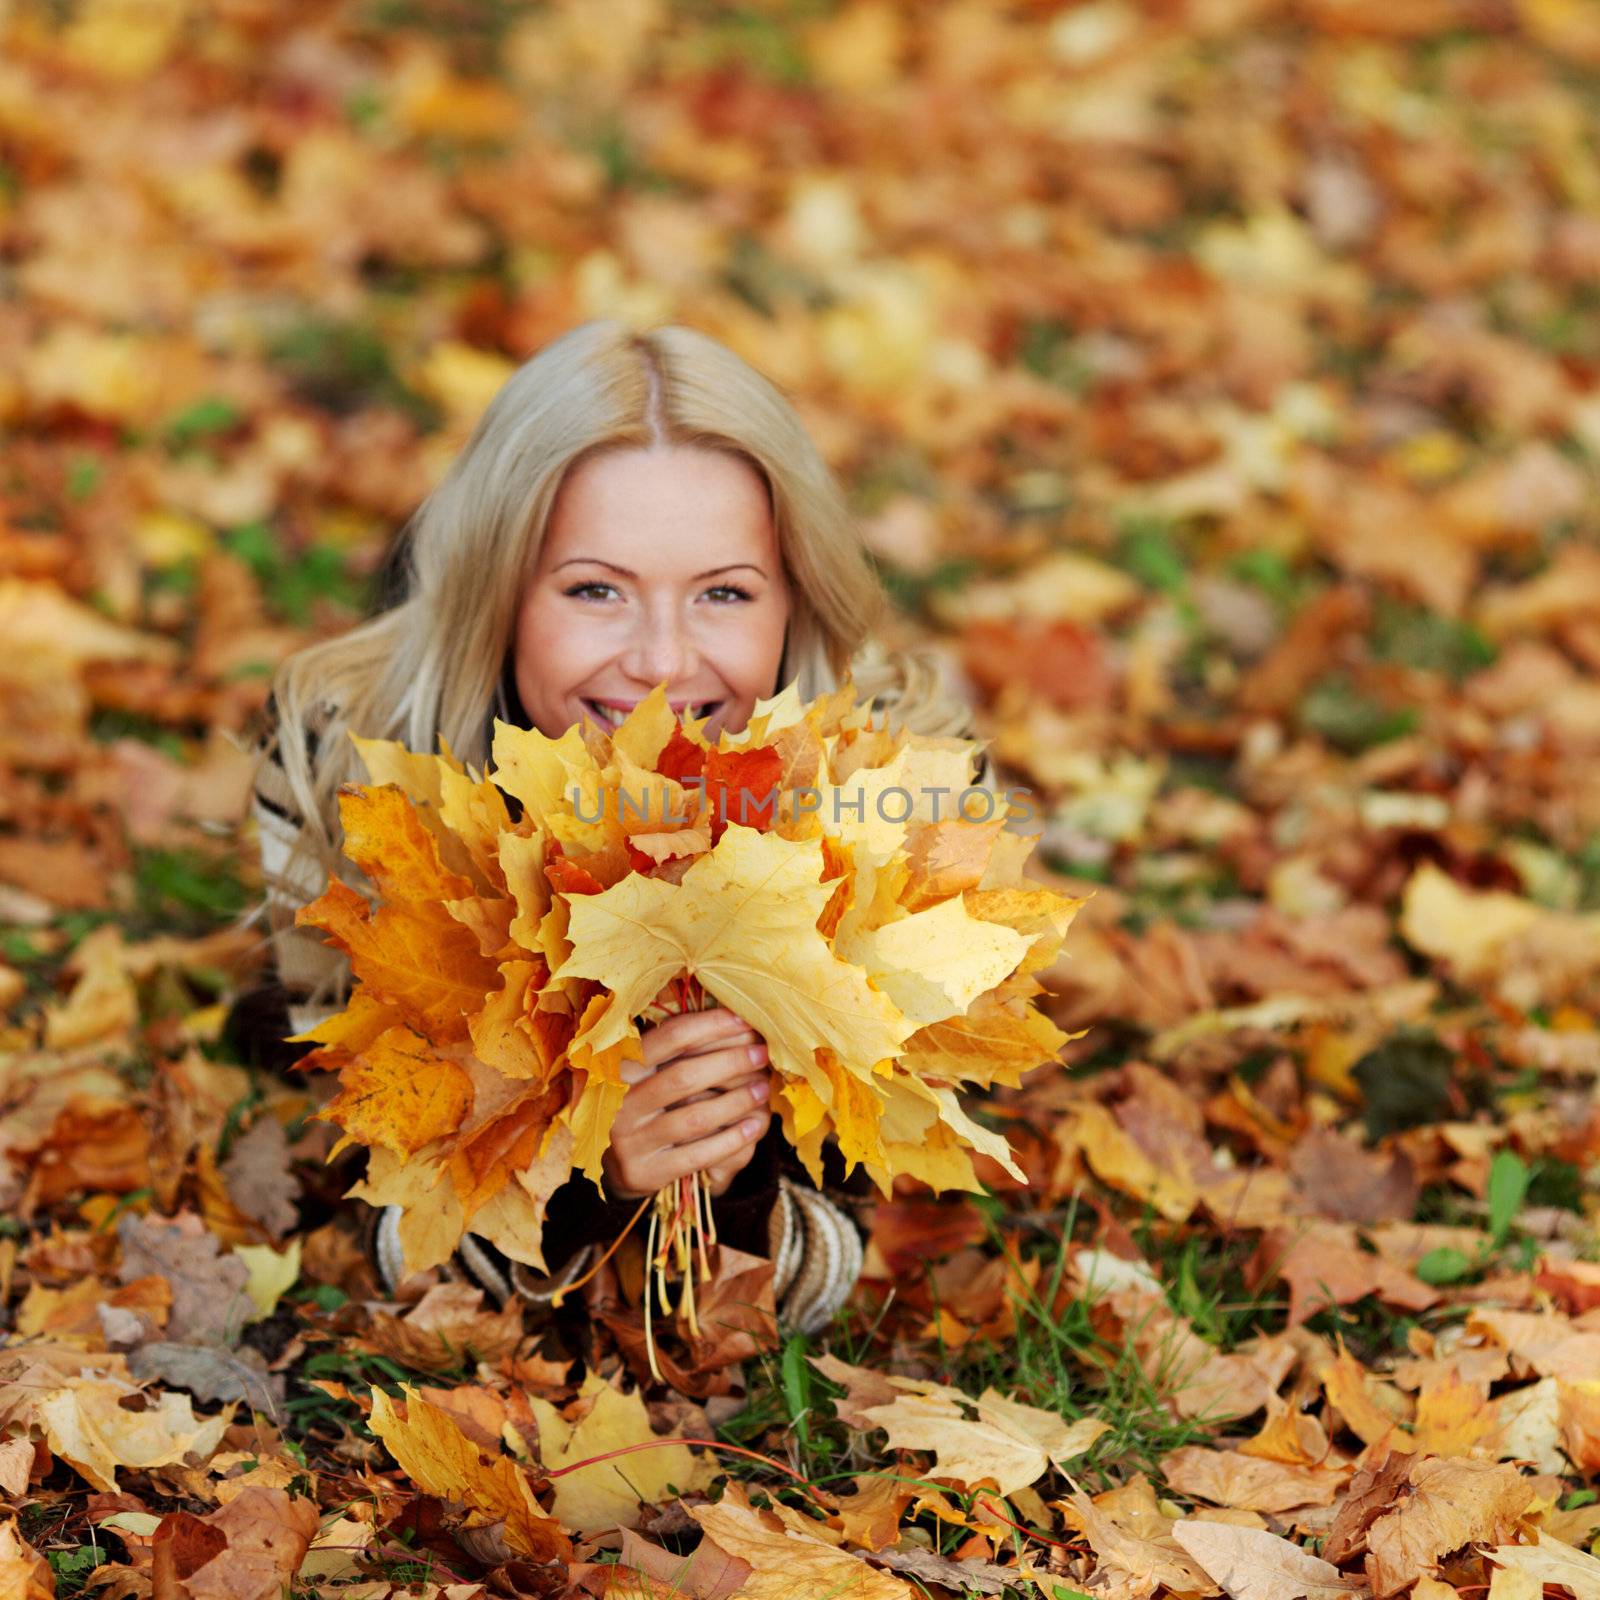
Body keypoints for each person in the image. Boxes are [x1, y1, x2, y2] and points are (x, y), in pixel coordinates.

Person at [223, 319, 1001, 1339]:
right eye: (595, 589)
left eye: (724, 592)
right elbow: (383, 1232)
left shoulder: (903, 788)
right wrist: (578, 1167)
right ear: (500, 593)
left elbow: (865, 1257)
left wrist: (736, 1172)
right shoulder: (347, 757)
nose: (662, 665)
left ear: (794, 596)